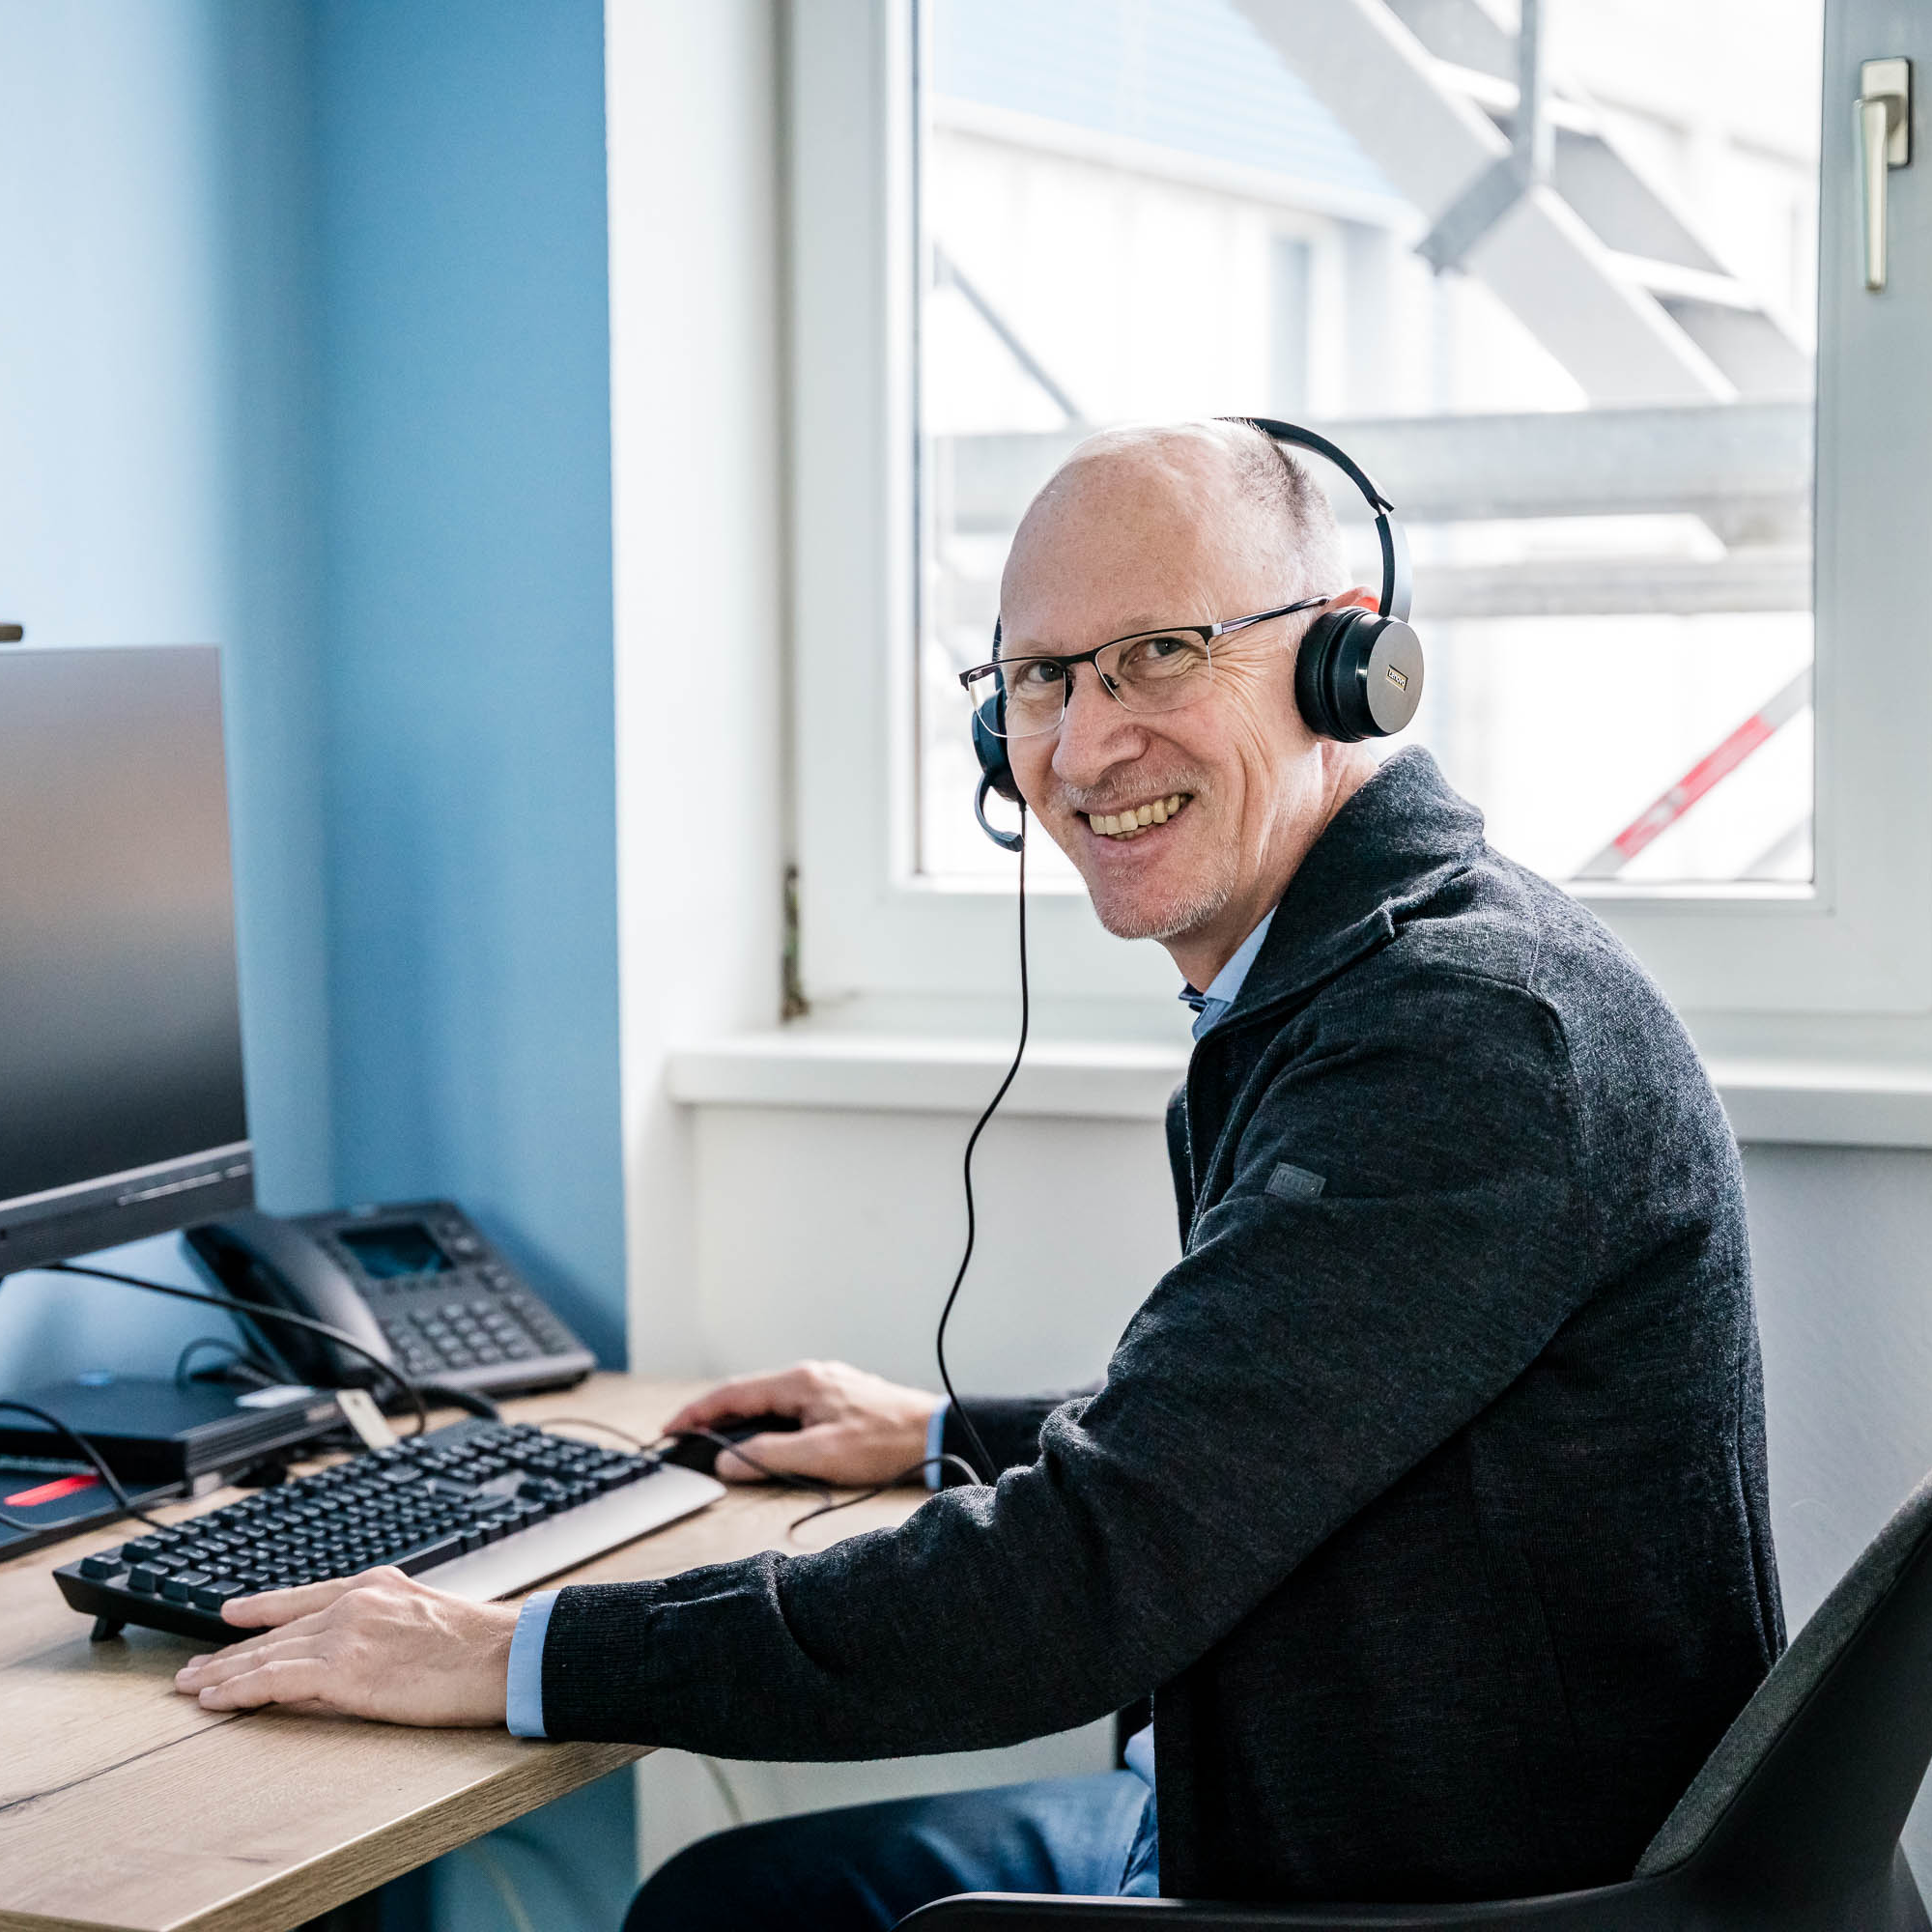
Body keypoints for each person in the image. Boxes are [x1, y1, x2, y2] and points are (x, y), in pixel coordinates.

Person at [173, 421, 1783, 1923]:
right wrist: (935, 1433)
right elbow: (1283, 1425)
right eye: (1034, 679)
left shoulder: (1463, 1041)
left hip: (1451, 1903)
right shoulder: (1361, 977)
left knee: (724, 1913)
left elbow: (1082, 1588)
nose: (1081, 745)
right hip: (1336, 1821)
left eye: (1158, 653)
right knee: (734, 1902)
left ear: (1346, 658)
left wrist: (516, 1652)